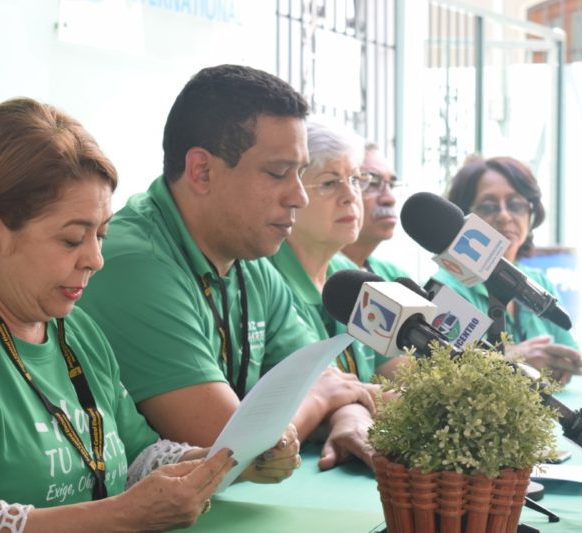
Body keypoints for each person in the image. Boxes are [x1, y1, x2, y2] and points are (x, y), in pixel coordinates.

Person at [0, 98, 298, 533]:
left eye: (101, 234)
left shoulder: (76, 328)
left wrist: (226, 461)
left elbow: (137, 456)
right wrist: (118, 516)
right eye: (72, 239)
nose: (96, 260)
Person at [79, 65, 378, 472]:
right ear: (202, 171)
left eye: (301, 172)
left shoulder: (248, 258)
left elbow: (330, 380)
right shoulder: (134, 262)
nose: (299, 196)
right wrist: (323, 402)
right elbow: (225, 451)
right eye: (278, 172)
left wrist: (349, 414)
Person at [267, 121, 408, 470]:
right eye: (330, 183)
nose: (351, 196)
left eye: (356, 180)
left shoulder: (350, 275)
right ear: (293, 194)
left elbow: (409, 377)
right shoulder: (267, 277)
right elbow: (319, 394)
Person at [435, 155, 582, 385]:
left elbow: (579, 369)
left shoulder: (538, 281)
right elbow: (448, 380)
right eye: (488, 207)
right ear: (463, 219)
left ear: (531, 213)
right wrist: (515, 360)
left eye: (516, 205)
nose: (505, 216)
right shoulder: (446, 289)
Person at [341, 142, 410, 281]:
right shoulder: (314, 274)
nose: (390, 199)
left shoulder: (396, 278)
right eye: (371, 183)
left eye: (391, 185)